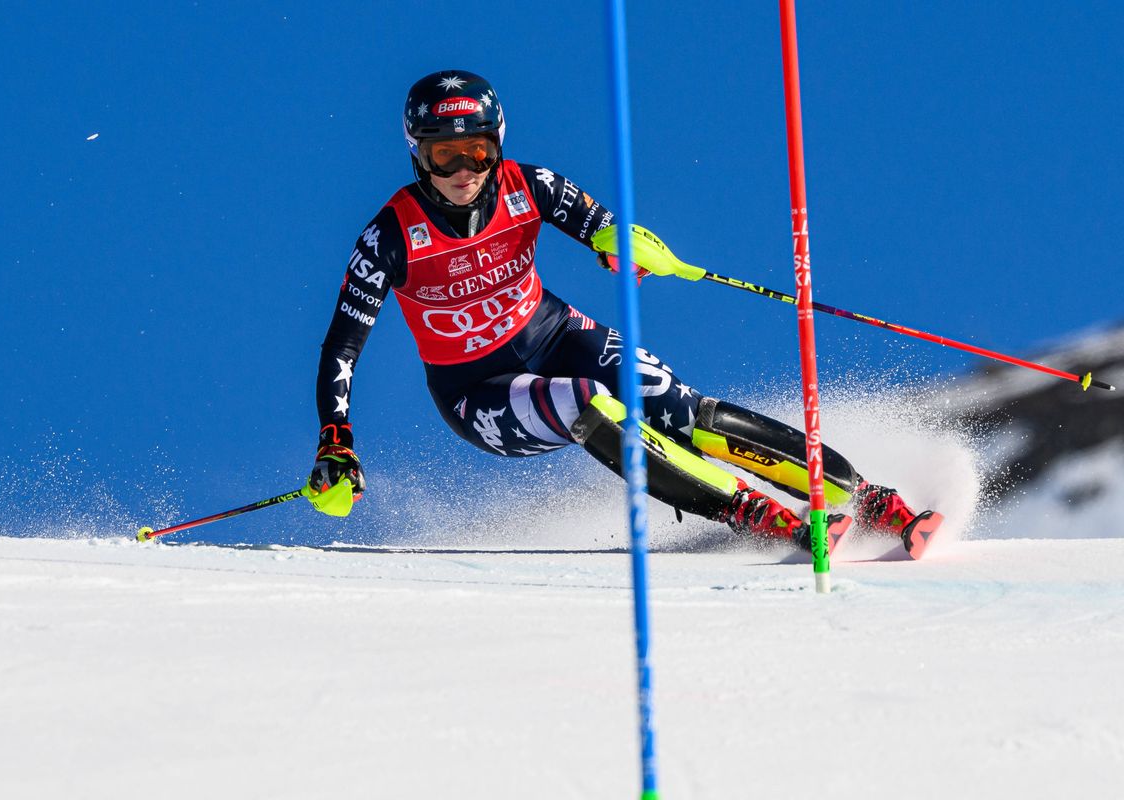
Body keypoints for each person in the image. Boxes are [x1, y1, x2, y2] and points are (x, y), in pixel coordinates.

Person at [304, 69, 942, 556]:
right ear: (418, 154)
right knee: (588, 405)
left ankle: (867, 498)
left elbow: (603, 227)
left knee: (684, 411)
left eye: (476, 151)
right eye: (446, 155)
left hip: (554, 333)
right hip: (478, 391)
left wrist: (625, 247)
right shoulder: (390, 235)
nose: (465, 170)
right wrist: (337, 441)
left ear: (497, 144)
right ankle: (762, 518)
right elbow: (342, 348)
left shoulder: (533, 186)